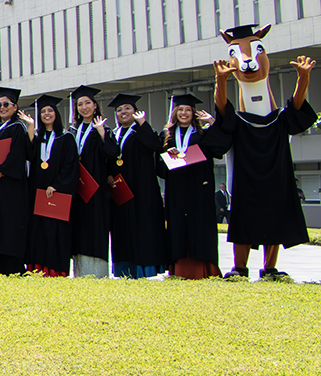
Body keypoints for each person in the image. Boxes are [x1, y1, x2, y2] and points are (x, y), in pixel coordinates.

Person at [212, 42, 316, 280]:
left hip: (276, 177)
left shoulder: (280, 119)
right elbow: (222, 109)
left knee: (275, 219)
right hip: (246, 180)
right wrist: (221, 81)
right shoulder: (238, 120)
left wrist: (303, 79)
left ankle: (270, 269)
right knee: (243, 220)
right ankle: (240, 268)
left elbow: (298, 105)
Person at [159, 93, 222, 280]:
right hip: (176, 186)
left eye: (188, 110)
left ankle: (205, 269)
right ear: (175, 112)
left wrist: (213, 122)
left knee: (200, 224)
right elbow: (158, 164)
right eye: (180, 110)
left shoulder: (202, 132)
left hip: (199, 185)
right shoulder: (167, 135)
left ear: (194, 113)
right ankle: (179, 269)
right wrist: (168, 152)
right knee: (177, 225)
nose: (184, 113)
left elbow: (219, 147)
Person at [105, 92, 167, 279]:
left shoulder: (142, 130)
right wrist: (108, 173)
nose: (123, 112)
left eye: (127, 108)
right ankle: (124, 268)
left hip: (142, 190)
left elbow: (154, 146)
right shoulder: (113, 133)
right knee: (122, 228)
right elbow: (108, 157)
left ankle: (145, 268)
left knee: (143, 228)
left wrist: (143, 124)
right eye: (119, 110)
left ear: (136, 111)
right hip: (120, 191)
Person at [0, 81, 32, 275]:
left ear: (15, 107)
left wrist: (1, 171)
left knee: (10, 223)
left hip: (10, 184)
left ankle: (13, 267)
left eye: (6, 104)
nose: (2, 108)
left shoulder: (18, 127)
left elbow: (18, 153)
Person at [23, 94, 77, 277]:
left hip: (57, 191)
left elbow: (70, 164)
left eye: (50, 111)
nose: (46, 114)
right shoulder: (37, 137)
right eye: (43, 111)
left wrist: (57, 184)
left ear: (56, 113)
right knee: (37, 229)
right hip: (37, 189)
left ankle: (55, 269)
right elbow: (29, 154)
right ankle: (36, 268)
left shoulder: (66, 138)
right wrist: (30, 127)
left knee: (56, 229)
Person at [67, 85, 112, 279]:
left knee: (95, 225)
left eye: (88, 103)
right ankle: (80, 272)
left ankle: (98, 273)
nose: (84, 107)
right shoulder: (72, 131)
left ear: (95, 105)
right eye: (80, 104)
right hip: (76, 187)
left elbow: (112, 153)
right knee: (77, 226)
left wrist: (102, 133)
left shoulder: (103, 129)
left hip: (96, 188)